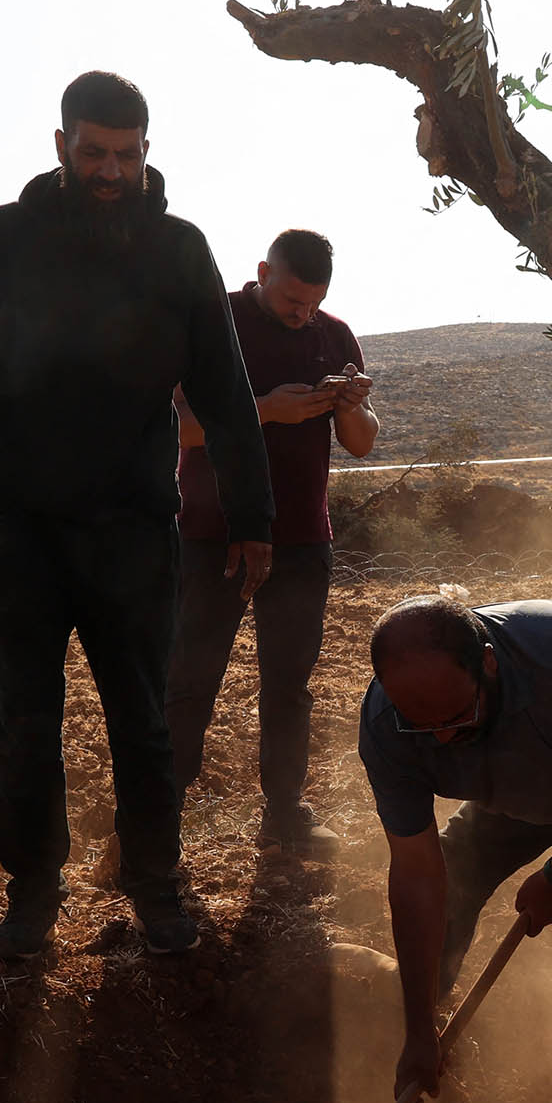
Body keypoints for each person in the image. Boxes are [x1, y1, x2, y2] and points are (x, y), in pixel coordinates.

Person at [0, 71, 275, 960]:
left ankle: (157, 889)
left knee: (144, 721)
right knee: (26, 721)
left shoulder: (179, 251)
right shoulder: (4, 239)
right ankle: (33, 897)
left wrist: (254, 518)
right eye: (93, 153)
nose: (110, 171)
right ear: (60, 147)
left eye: (126, 155)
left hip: (133, 532)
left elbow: (227, 396)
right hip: (26, 529)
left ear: (147, 152)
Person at [356, 595, 552, 1100]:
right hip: (526, 788)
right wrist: (419, 1029)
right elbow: (417, 874)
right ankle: (425, 1043)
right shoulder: (384, 727)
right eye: (422, 725)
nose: (441, 739)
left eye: (458, 716)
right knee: (455, 875)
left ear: (488, 661)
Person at [166, 228, 380, 857]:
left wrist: (347, 406)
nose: (302, 314)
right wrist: (264, 410)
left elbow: (362, 442)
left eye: (314, 302)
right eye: (292, 300)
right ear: (262, 271)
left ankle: (285, 814)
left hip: (302, 539)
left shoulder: (334, 336)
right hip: (213, 536)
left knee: (289, 684)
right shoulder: (213, 323)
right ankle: (160, 819)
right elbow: (180, 430)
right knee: (190, 680)